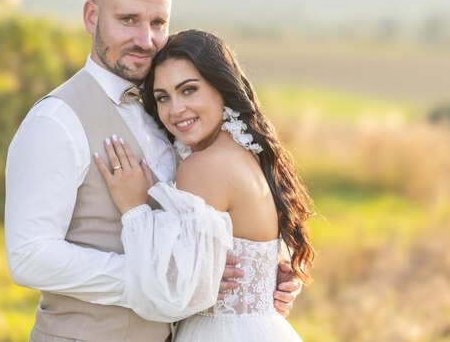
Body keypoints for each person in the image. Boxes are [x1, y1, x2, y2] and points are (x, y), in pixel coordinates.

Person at [5, 0, 301, 342]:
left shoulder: (169, 112)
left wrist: (262, 273)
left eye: (157, 22)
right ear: (92, 16)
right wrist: (170, 281)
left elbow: (210, 213)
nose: (145, 39)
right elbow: (29, 256)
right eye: (128, 19)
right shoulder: (56, 121)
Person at [94, 29, 315, 341]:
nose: (175, 110)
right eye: (162, 98)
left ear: (221, 87)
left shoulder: (202, 166)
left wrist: (134, 209)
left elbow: (170, 293)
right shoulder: (249, 154)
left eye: (188, 90)